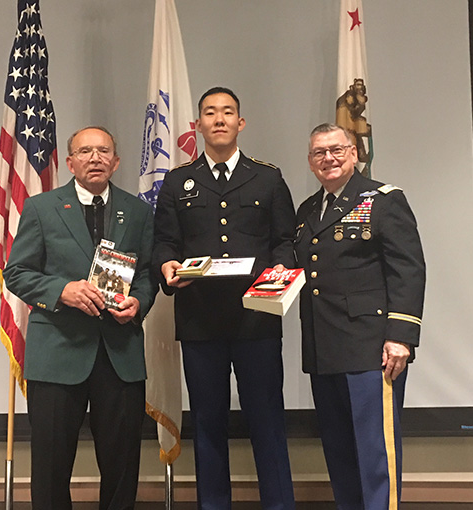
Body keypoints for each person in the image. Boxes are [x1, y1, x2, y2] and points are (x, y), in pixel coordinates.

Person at [153, 87, 296, 510]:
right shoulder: (179, 180)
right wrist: (166, 266)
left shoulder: (267, 177)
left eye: (228, 112)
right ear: (197, 123)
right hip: (200, 322)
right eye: (210, 113)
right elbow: (164, 241)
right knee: (209, 426)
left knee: (268, 423)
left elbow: (284, 240)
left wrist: (280, 275)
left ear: (241, 122)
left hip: (257, 321)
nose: (219, 119)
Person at [3, 126, 158, 510]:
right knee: (51, 467)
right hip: (58, 354)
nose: (95, 158)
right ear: (70, 162)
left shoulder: (137, 211)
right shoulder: (42, 208)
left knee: (122, 466)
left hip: (119, 354)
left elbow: (147, 274)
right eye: (85, 151)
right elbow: (18, 273)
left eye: (103, 151)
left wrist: (138, 302)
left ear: (116, 161)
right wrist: (61, 291)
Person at [294, 123, 425, 510]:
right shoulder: (306, 211)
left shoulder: (383, 200)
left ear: (354, 153)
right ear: (310, 161)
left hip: (371, 349)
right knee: (339, 451)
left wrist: (401, 336)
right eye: (319, 153)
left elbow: (408, 269)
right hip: (324, 348)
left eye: (336, 150)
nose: (328, 159)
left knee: (375, 453)